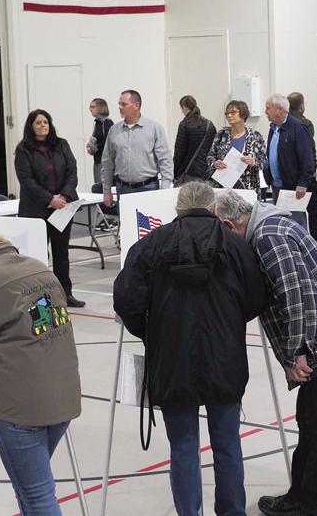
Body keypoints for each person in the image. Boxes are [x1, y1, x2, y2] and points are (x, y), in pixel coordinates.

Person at [213, 191, 317, 516]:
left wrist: (299, 350)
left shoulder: (268, 237)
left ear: (230, 224)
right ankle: (300, 497)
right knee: (311, 419)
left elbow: (297, 297)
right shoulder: (268, 227)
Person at [114, 182, 267, 516]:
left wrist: (150, 332)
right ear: (213, 209)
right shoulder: (235, 245)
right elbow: (257, 296)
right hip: (225, 359)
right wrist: (229, 322)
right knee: (228, 446)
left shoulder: (151, 245)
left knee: (183, 448)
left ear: (177, 209)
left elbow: (126, 299)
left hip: (171, 359)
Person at [0, 223, 81, 516]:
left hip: (20, 407)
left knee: (38, 496)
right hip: (64, 396)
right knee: (30, 491)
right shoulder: (38, 267)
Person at [14, 109, 85, 308]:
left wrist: (63, 196)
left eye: (45, 122)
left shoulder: (61, 145)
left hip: (62, 208)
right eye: (38, 123)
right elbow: (26, 180)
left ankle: (65, 294)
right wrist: (49, 199)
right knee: (39, 255)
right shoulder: (23, 150)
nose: (43, 125)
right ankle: (40, 297)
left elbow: (72, 171)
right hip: (36, 209)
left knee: (61, 254)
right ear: (31, 126)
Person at [264, 93, 317, 251]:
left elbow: (306, 158)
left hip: (293, 187)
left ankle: (303, 254)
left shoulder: (298, 128)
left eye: (268, 108)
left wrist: (302, 183)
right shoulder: (272, 128)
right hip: (276, 185)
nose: (265, 111)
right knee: (282, 223)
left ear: (280, 109)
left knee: (296, 224)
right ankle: (289, 251)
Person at [101, 89, 174, 208]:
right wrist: (106, 190)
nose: (120, 107)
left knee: (149, 225)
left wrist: (165, 189)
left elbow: (165, 160)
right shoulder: (114, 131)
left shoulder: (154, 128)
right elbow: (107, 162)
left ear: (136, 105)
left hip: (148, 188)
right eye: (119, 104)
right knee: (127, 225)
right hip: (123, 189)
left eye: (124, 104)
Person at [287, 92, 317, 250]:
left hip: (291, 174)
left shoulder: (285, 123)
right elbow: (308, 150)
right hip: (306, 175)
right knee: (313, 208)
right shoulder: (305, 124)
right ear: (301, 105)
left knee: (294, 210)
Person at [207, 100, 267, 191]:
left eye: (233, 112)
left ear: (243, 114)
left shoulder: (255, 136)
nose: (229, 115)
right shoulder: (221, 135)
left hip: (248, 187)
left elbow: (265, 162)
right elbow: (210, 156)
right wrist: (214, 163)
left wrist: (253, 162)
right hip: (222, 187)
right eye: (227, 113)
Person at [173, 95, 217, 185]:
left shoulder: (184, 124)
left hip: (188, 173)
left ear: (184, 107)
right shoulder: (209, 124)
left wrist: (175, 172)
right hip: (206, 173)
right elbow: (214, 149)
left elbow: (179, 152)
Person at [85, 98, 114, 184]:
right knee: (98, 186)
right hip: (98, 161)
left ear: (101, 107)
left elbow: (109, 143)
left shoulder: (107, 123)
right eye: (90, 107)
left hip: (105, 163)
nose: (90, 109)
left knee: (104, 187)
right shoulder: (97, 123)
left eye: (93, 107)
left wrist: (94, 146)